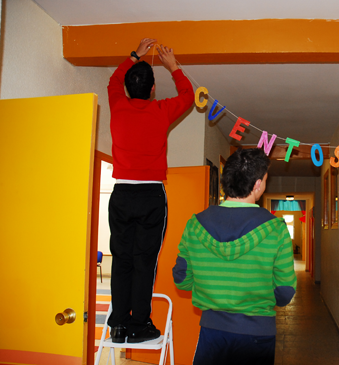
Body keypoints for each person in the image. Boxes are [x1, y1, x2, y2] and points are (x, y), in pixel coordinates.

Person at [172, 148, 297, 365]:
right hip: (257, 334)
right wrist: (259, 298)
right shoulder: (276, 228)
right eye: (265, 180)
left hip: (211, 331)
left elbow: (181, 279)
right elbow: (285, 291)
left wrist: (211, 288)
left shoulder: (195, 224)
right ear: (257, 184)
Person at [107, 38, 195, 343]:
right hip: (150, 196)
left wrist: (134, 55)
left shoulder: (117, 104)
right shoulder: (161, 110)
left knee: (122, 259)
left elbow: (114, 80)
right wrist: (174, 66)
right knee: (145, 261)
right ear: (153, 88)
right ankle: (139, 324)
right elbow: (188, 95)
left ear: (129, 90)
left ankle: (118, 325)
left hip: (121, 195)